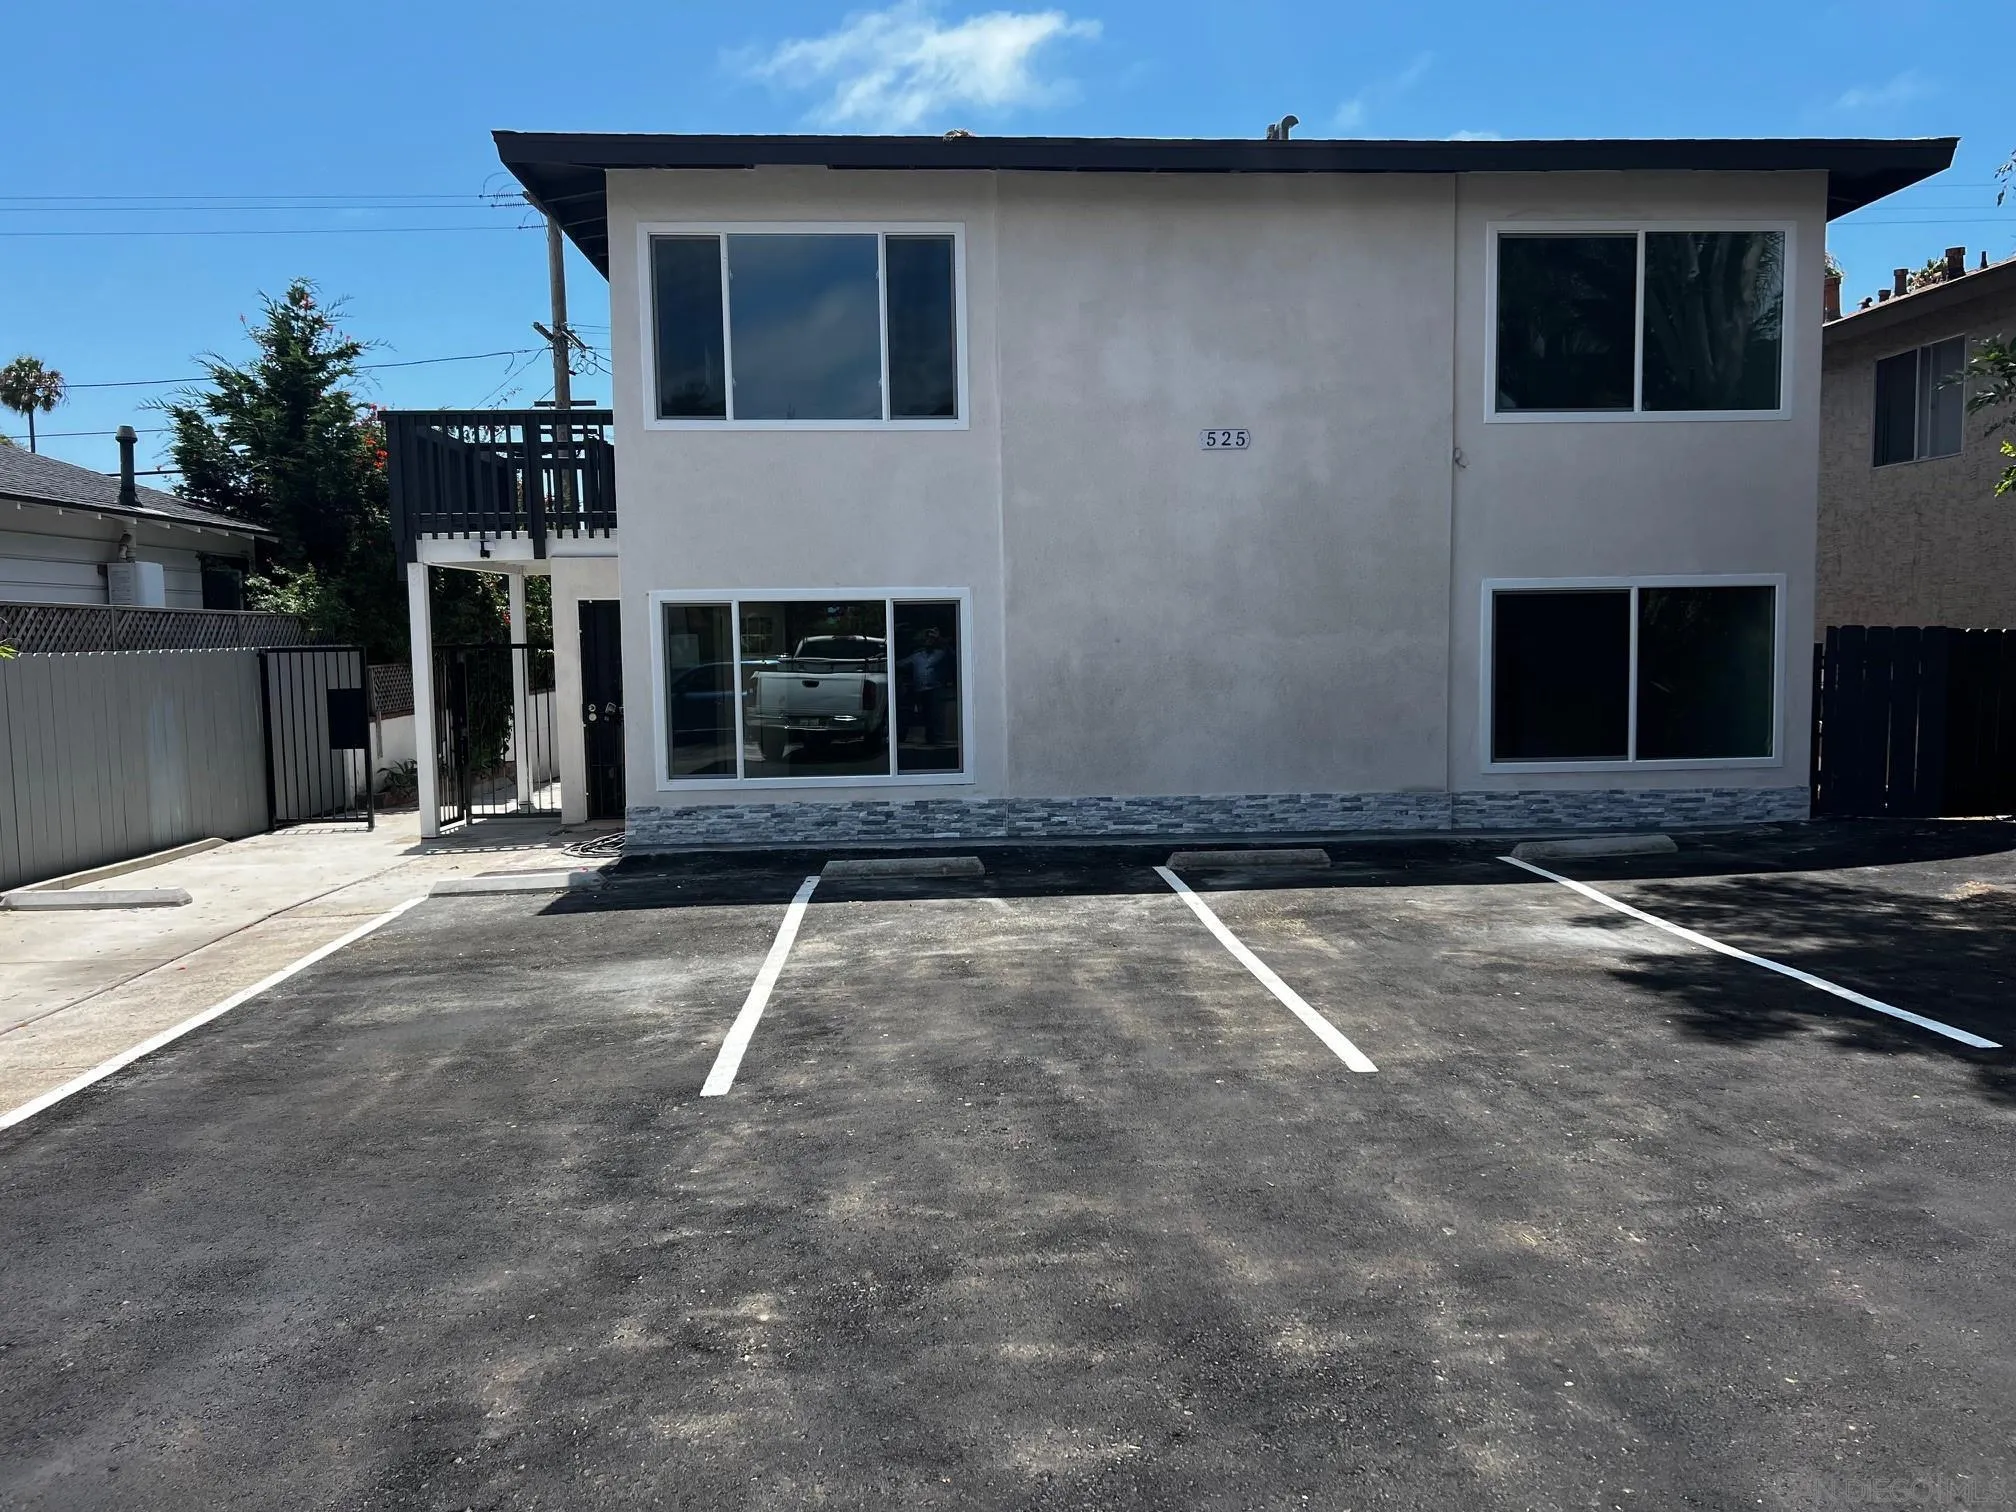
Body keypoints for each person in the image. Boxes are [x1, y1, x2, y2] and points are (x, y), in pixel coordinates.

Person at [898, 626, 951, 746]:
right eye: (927, 638)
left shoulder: (940, 653)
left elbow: (952, 654)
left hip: (934, 688)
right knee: (925, 714)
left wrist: (940, 638)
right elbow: (901, 664)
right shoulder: (917, 656)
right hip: (920, 689)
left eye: (931, 639)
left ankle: (936, 738)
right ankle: (928, 738)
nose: (929, 641)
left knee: (935, 714)